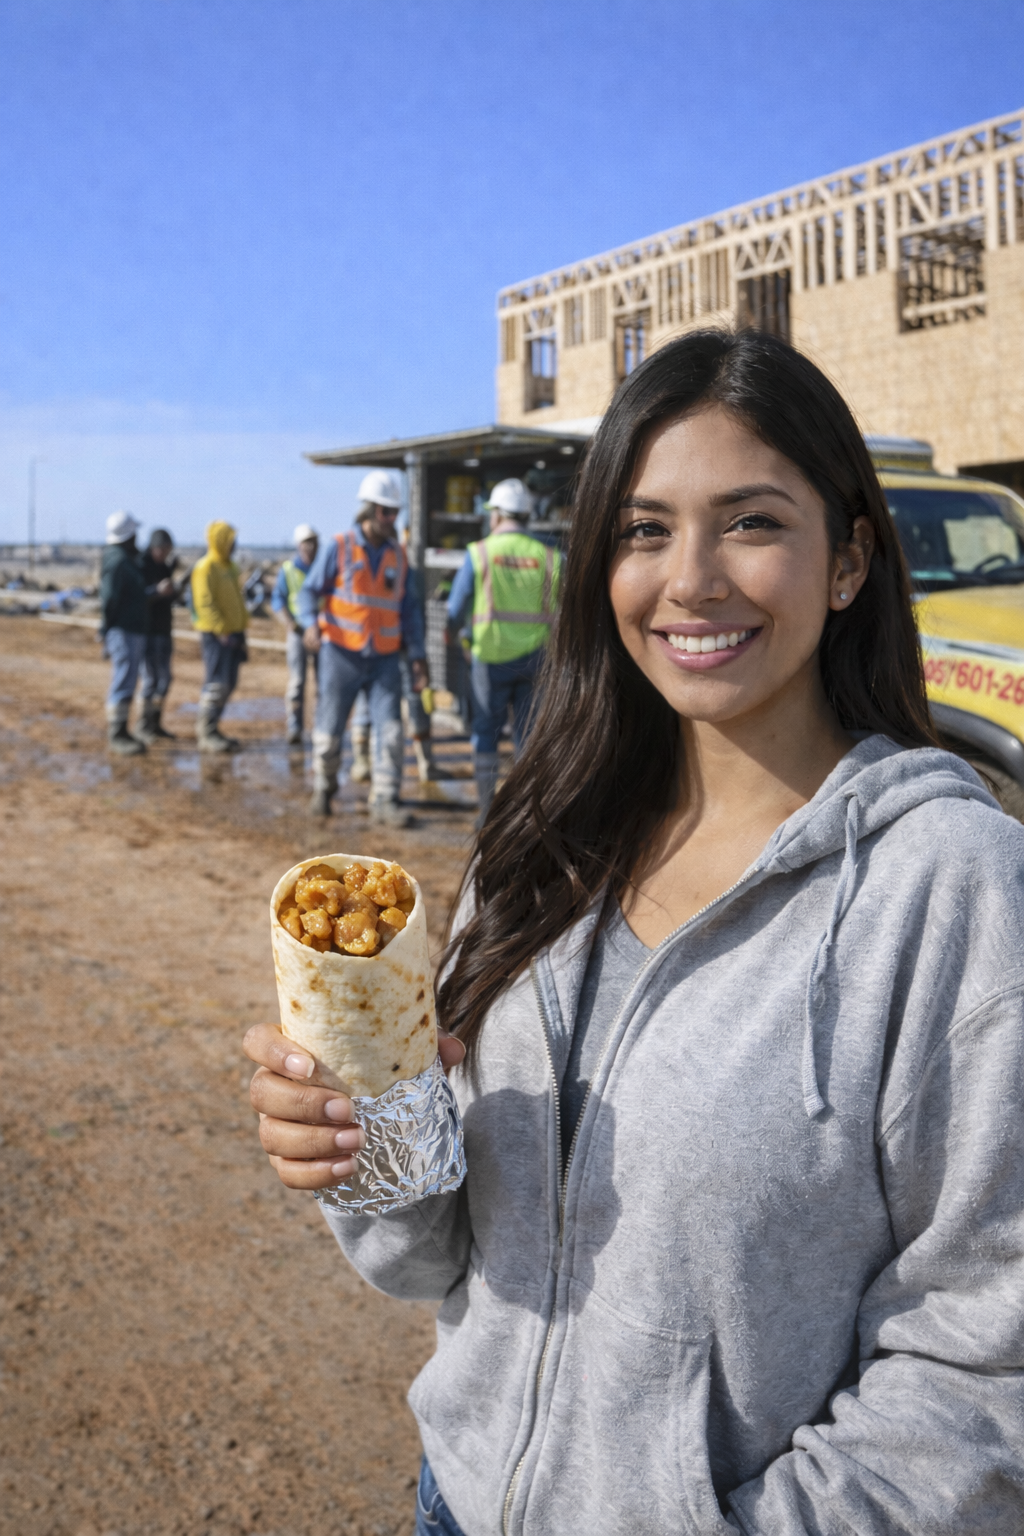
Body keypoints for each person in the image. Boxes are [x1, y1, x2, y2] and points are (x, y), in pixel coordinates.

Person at [244, 330, 1024, 1536]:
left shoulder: (949, 885)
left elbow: (985, 1361)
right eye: (644, 529)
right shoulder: (547, 836)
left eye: (753, 522)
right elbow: (434, 1257)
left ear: (849, 560)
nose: (690, 578)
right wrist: (360, 1144)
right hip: (455, 1499)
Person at [297, 468, 428, 826]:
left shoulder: (399, 557)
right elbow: (309, 591)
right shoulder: (339, 547)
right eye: (385, 512)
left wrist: (417, 657)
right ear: (368, 510)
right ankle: (324, 789)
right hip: (340, 654)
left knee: (390, 730)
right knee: (330, 726)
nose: (391, 519)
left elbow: (409, 610)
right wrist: (310, 624)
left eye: (394, 512)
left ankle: (385, 799)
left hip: (384, 657)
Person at [446, 478, 560, 819]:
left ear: (496, 515)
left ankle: (486, 813)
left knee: (486, 733)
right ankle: (526, 814)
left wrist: (455, 637)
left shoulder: (479, 553)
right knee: (529, 737)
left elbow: (454, 609)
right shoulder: (551, 558)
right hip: (538, 661)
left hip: (490, 659)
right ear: (526, 515)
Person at [191, 520, 248, 753]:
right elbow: (204, 603)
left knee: (229, 682)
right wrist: (220, 630)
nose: (234, 545)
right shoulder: (206, 568)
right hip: (217, 635)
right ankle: (206, 731)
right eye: (230, 540)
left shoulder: (230, 567)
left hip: (234, 632)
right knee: (216, 682)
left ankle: (214, 727)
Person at [99, 510, 149, 756]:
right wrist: (106, 630)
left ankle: (123, 730)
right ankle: (117, 734)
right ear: (128, 535)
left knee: (129, 679)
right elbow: (110, 600)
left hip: (131, 629)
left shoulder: (125, 559)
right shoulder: (118, 561)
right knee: (123, 679)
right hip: (123, 630)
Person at [271, 523, 319, 746]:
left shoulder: (322, 566)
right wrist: (289, 622)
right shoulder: (289, 569)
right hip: (299, 632)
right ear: (299, 545)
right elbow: (278, 599)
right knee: (297, 681)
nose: (311, 547)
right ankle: (295, 727)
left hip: (321, 633)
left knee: (323, 683)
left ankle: (321, 726)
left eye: (313, 542)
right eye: (306, 543)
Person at [137, 528, 180, 743]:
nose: (166, 554)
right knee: (150, 680)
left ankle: (155, 723)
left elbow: (168, 599)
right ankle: (143, 725)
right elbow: (137, 597)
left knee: (164, 679)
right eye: (163, 550)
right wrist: (156, 591)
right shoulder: (141, 566)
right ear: (154, 547)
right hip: (147, 632)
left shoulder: (164, 566)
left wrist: (174, 590)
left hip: (163, 630)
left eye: (168, 551)